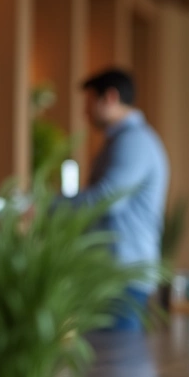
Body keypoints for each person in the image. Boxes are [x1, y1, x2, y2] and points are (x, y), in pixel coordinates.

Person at [64, 68, 168, 330]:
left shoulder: (134, 141)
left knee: (115, 364)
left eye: (88, 103)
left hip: (122, 275)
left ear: (109, 97)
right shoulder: (124, 140)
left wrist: (42, 207)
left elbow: (107, 199)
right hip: (116, 274)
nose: (84, 112)